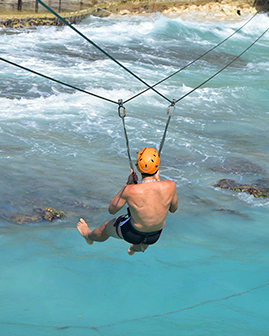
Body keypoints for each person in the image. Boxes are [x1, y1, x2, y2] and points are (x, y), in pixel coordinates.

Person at [77, 147, 178, 255]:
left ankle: (88, 236)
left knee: (106, 228)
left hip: (133, 233)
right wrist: (158, 181)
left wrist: (128, 184)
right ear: (157, 166)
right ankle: (134, 249)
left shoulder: (130, 190)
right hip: (155, 235)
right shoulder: (170, 186)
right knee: (144, 236)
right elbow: (173, 209)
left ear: (138, 167)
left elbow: (112, 209)